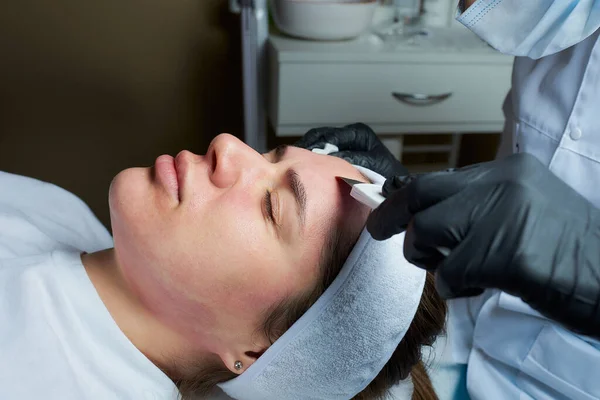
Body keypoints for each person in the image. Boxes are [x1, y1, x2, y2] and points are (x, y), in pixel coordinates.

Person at [296, 0, 600, 394]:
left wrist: (590, 263)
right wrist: (419, 193)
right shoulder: (552, 31)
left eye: (274, 208)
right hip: (468, 341)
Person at [0, 133, 446, 400]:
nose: (227, 146)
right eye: (272, 156)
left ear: (257, 352)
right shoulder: (62, 212)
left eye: (272, 206)